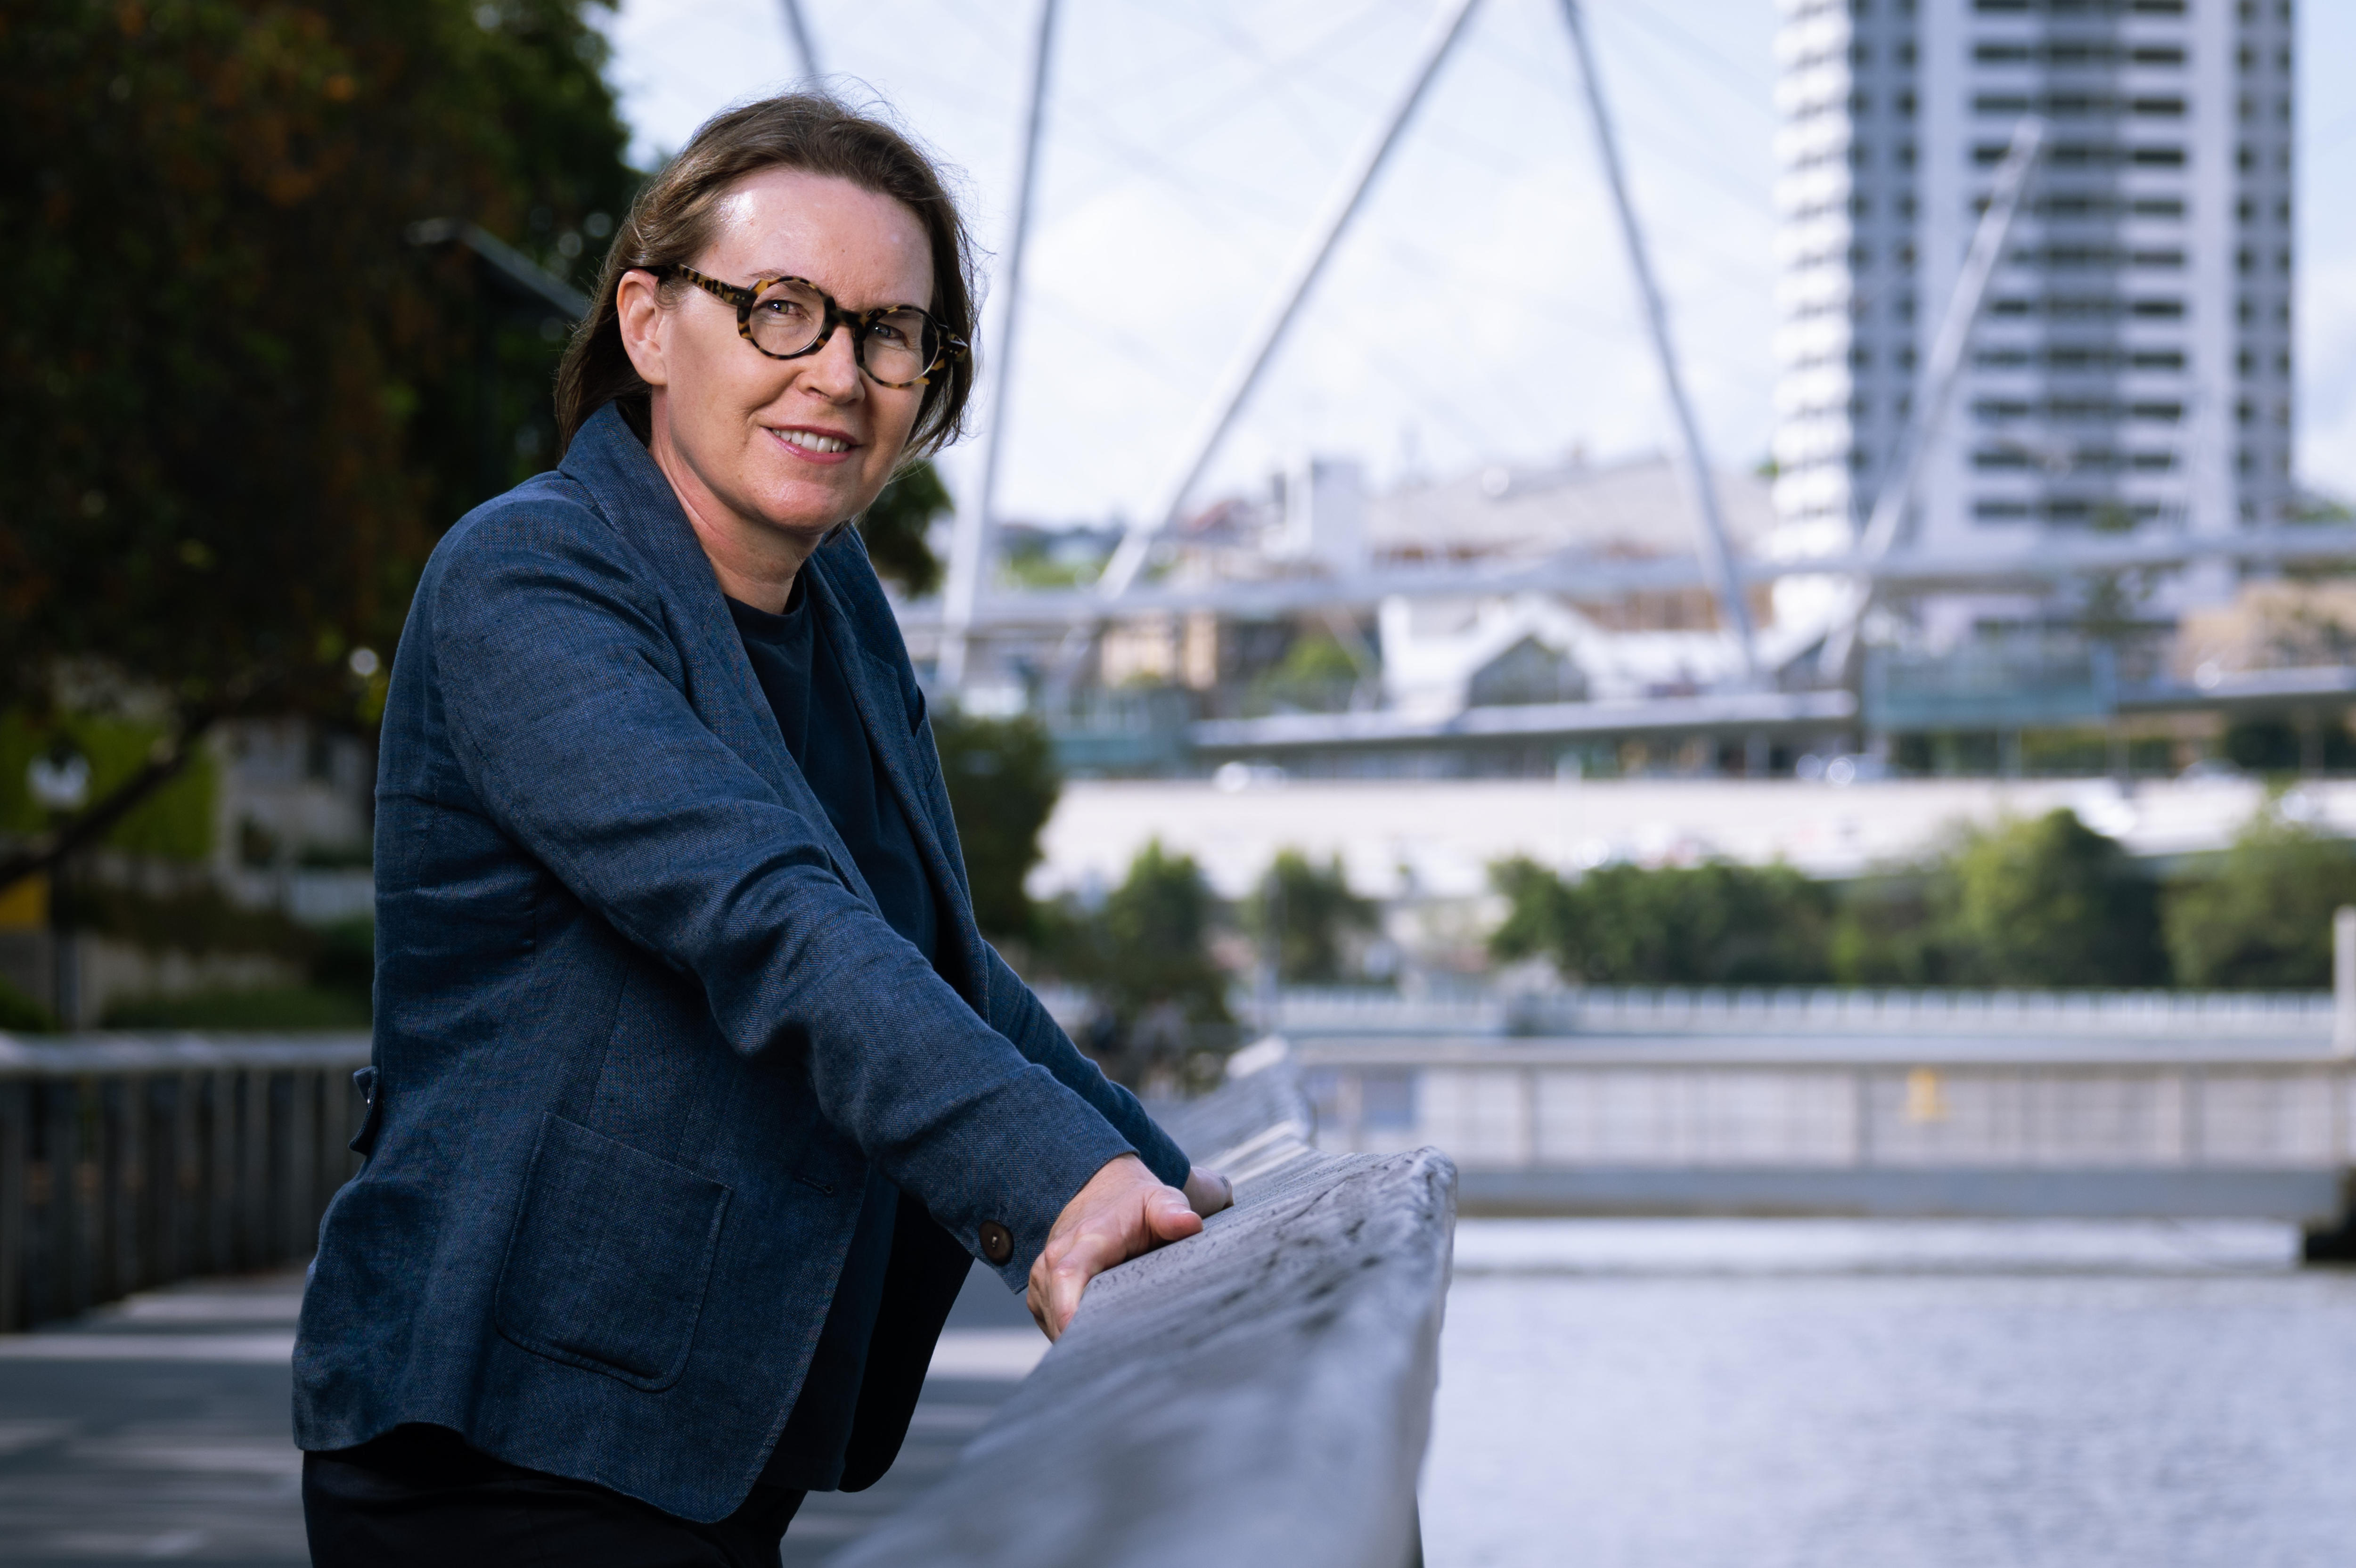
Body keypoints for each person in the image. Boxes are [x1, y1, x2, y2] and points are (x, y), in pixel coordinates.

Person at [293, 92, 1230, 1568]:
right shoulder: (527, 584)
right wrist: (1053, 1186)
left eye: (888, 331)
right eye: (779, 310)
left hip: (707, 1447)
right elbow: (776, 919)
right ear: (651, 324)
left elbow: (938, 964)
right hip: (504, 1438)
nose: (839, 375)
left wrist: (1175, 1200)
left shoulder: (840, 604)